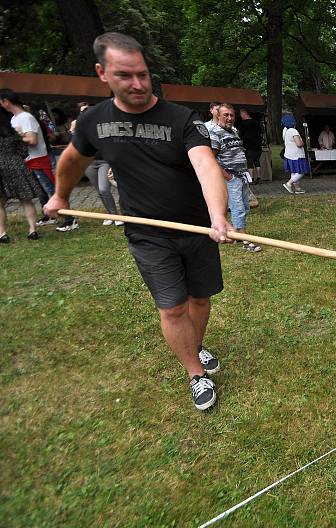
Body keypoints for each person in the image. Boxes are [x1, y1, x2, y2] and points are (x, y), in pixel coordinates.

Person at [44, 32, 234, 410]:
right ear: (102, 73)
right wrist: (61, 195)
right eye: (125, 75)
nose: (137, 84)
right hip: (147, 233)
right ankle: (195, 373)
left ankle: (195, 345)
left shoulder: (181, 119)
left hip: (197, 226)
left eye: (143, 75)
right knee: (172, 306)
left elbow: (205, 165)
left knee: (200, 298)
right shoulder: (95, 122)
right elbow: (70, 161)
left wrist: (217, 214)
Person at [209, 103, 261, 253]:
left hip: (241, 176)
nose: (230, 118)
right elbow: (211, 159)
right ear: (218, 116)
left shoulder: (234, 131)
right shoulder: (215, 133)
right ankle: (245, 240)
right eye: (226, 115)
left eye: (232, 115)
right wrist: (229, 177)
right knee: (238, 208)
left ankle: (235, 232)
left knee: (245, 207)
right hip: (231, 177)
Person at [75, 103, 123, 226]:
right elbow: (77, 148)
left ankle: (117, 216)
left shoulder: (104, 129)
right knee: (99, 191)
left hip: (104, 162)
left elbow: (114, 147)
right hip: (89, 163)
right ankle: (111, 214)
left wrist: (113, 164)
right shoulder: (82, 131)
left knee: (104, 188)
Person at [0, 107, 43, 243]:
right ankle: (32, 230)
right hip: (17, 165)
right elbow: (24, 151)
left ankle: (2, 233)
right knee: (26, 200)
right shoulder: (13, 134)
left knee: (0, 203)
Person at [281, 113, 309, 194]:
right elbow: (299, 144)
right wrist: (303, 142)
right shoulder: (293, 131)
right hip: (297, 155)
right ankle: (289, 184)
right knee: (301, 171)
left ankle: (297, 188)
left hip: (289, 154)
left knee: (294, 172)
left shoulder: (285, 130)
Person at [237, 108, 263, 183]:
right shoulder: (256, 122)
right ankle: (259, 178)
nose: (241, 116)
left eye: (241, 114)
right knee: (257, 161)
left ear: (244, 114)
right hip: (258, 145)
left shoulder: (243, 123)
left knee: (250, 162)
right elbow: (260, 132)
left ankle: (250, 179)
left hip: (249, 146)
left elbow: (239, 133)